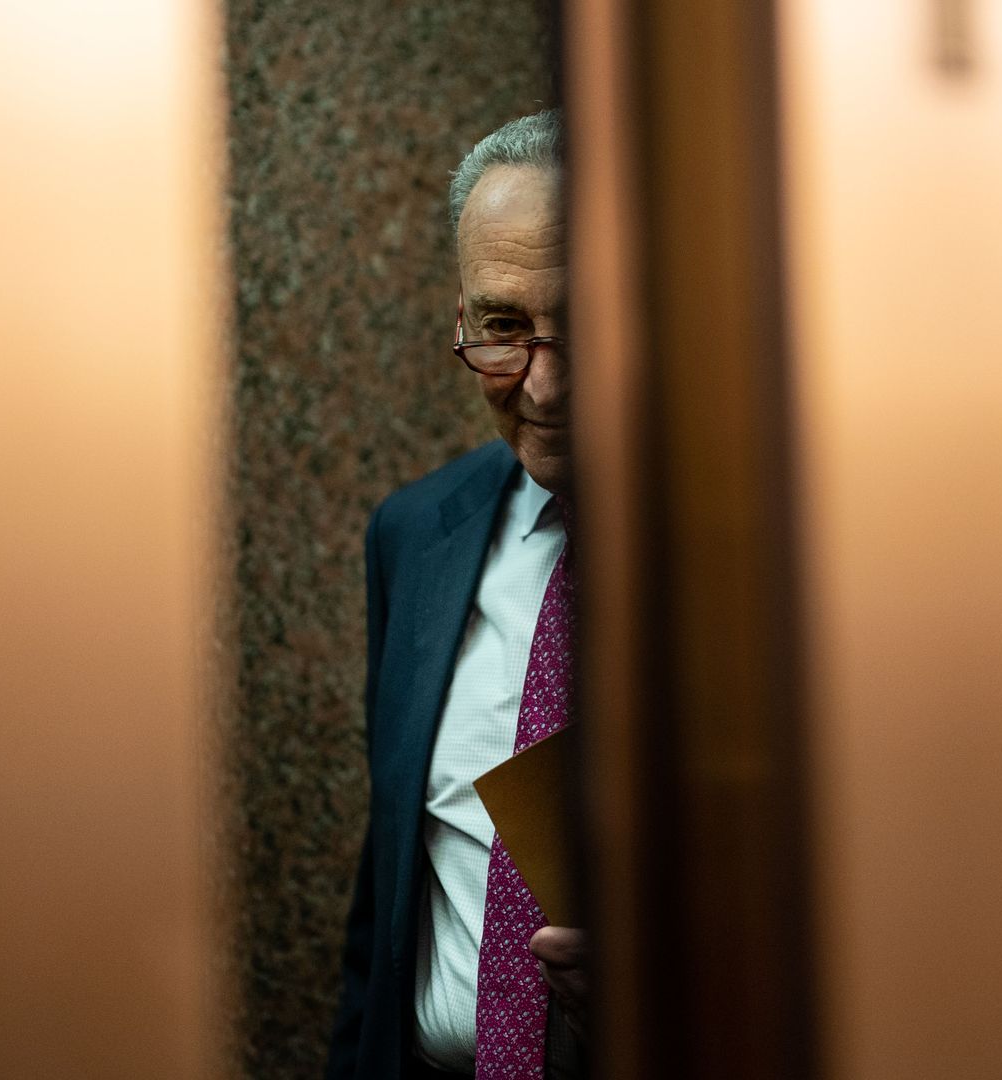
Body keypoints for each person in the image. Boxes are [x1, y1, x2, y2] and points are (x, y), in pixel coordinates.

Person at [325, 109, 588, 1080]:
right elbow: (386, 903)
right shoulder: (413, 540)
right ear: (461, 319)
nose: (545, 389)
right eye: (504, 329)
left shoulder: (752, 564)